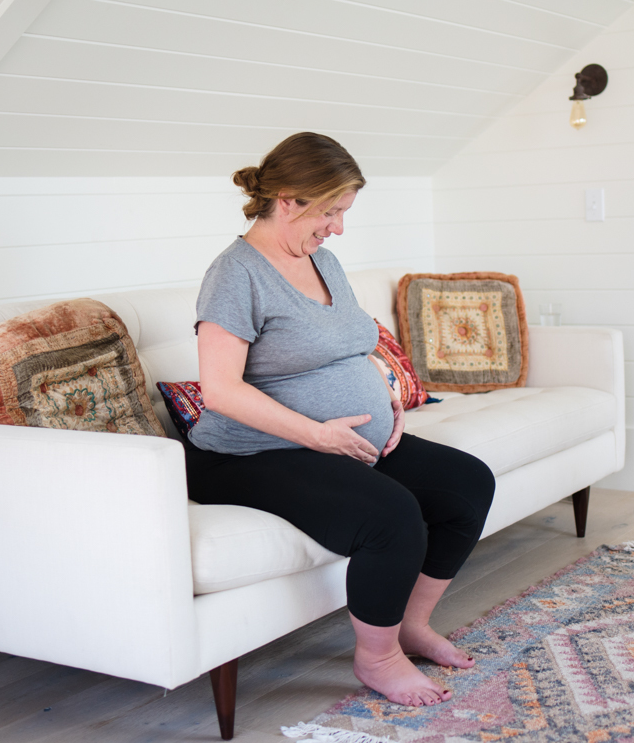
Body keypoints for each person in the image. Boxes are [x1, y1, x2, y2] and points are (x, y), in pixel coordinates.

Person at [183, 132, 495, 707]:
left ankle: (410, 625)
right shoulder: (235, 274)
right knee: (391, 515)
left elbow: (352, 347)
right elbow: (221, 391)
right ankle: (377, 659)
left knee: (468, 484)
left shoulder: (323, 261)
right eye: (330, 212)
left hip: (338, 440)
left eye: (344, 212)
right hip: (248, 454)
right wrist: (317, 434)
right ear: (287, 199)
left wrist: (387, 402)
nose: (339, 227)